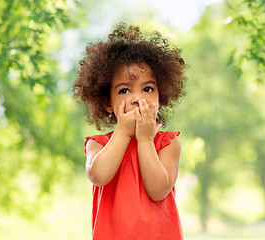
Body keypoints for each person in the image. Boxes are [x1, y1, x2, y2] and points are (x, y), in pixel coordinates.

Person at [73, 22, 186, 240]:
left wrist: (145, 141)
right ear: (108, 103)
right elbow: (98, 176)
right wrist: (124, 133)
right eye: (124, 90)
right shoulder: (97, 144)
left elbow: (158, 190)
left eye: (148, 88)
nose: (137, 98)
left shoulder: (168, 144)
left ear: (160, 99)